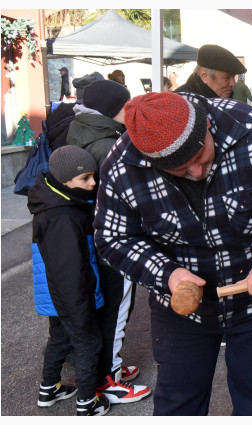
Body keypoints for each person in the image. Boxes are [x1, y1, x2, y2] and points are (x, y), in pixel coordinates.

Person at [93, 91, 252, 415]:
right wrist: (167, 274)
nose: (197, 173)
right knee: (178, 404)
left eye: (201, 156)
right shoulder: (123, 165)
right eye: (181, 170)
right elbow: (113, 238)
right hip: (181, 311)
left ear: (206, 126)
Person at [66, 79, 151, 405]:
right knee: (117, 308)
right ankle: (107, 380)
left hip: (93, 233)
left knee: (109, 306)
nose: (129, 111)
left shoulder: (86, 129)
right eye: (124, 107)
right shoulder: (105, 145)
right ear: (111, 111)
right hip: (113, 237)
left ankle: (105, 367)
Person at [28, 145, 110, 416]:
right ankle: (87, 403)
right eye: (85, 178)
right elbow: (69, 269)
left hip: (54, 293)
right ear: (65, 180)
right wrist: (79, 309)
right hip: (69, 294)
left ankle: (48, 389)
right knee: (88, 343)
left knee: (59, 338)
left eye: (93, 176)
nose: (93, 183)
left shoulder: (55, 202)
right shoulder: (63, 215)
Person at [174, 44, 246, 98]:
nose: (233, 83)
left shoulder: (224, 101)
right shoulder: (179, 103)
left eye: (233, 77)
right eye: (227, 77)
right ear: (204, 75)